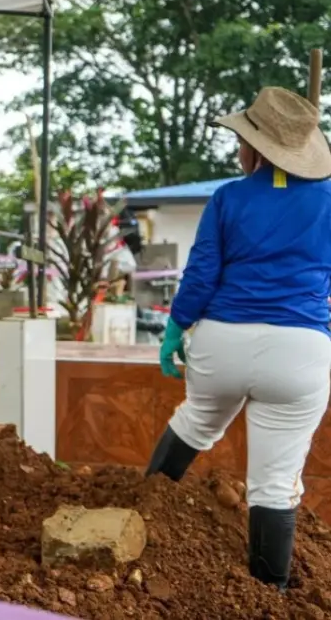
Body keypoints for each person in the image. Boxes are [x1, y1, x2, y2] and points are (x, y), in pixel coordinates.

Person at [152, 86, 331, 591]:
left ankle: (140, 514)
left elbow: (203, 272)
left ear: (256, 149)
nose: (238, 149)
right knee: (274, 484)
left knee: (194, 423)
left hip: (221, 343)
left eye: (242, 139)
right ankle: (268, 595)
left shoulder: (229, 196)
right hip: (300, 352)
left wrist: (174, 328)